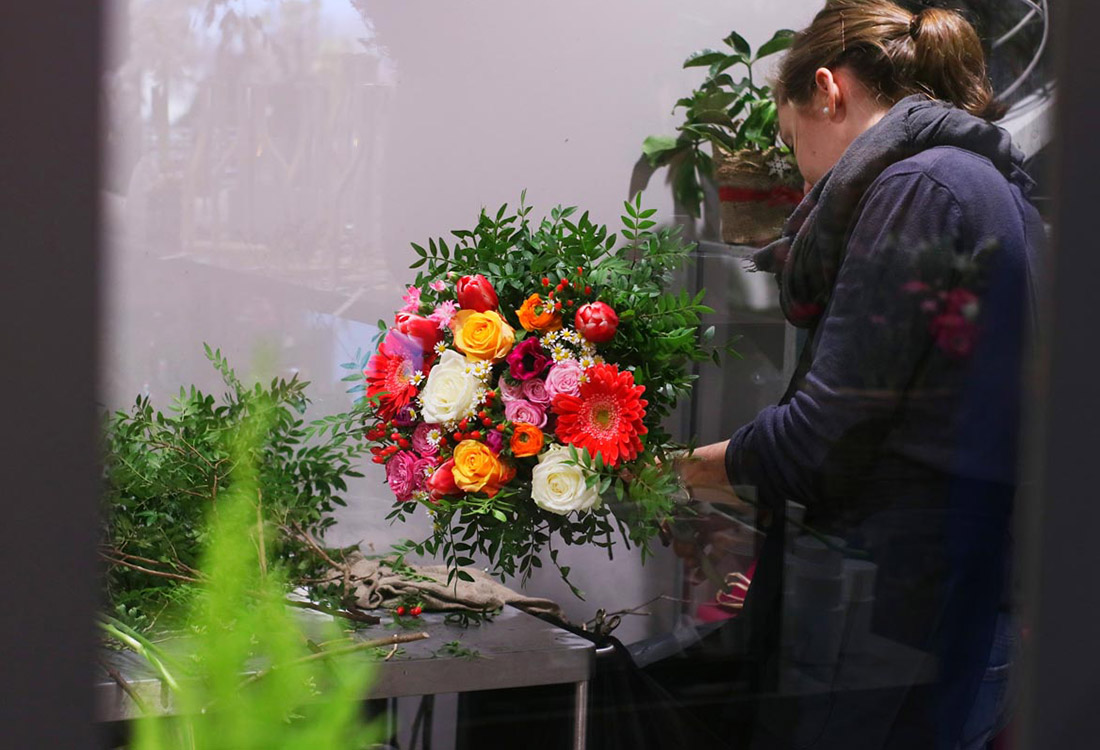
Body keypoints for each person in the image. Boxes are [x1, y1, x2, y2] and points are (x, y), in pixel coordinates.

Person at [671, 2, 1043, 748]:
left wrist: (676, 472)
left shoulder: (919, 188)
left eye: (790, 137)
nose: (801, 176)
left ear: (828, 90)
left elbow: (824, 432)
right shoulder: (984, 186)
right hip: (951, 602)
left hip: (900, 619)